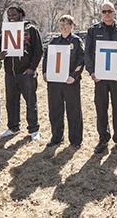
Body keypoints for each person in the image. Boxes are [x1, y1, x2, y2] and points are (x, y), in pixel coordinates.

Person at [85, 2, 117, 154]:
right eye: (104, 11)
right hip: (99, 78)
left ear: (114, 12)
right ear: (101, 13)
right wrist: (92, 72)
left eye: (109, 11)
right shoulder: (93, 31)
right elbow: (87, 53)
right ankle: (103, 138)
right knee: (101, 108)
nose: (107, 14)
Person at [0, 7, 43, 141]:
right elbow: (1, 51)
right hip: (10, 73)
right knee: (11, 102)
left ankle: (34, 129)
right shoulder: (6, 30)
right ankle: (13, 127)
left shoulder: (31, 29)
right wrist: (0, 56)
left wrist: (32, 68)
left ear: (21, 14)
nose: (11, 17)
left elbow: (39, 50)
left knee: (30, 102)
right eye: (9, 15)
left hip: (26, 73)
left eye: (14, 14)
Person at [42, 15, 85, 148]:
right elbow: (46, 58)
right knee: (55, 110)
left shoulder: (77, 41)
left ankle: (75, 140)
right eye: (61, 24)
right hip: (54, 82)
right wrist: (45, 72)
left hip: (70, 82)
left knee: (73, 111)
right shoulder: (54, 41)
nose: (63, 27)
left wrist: (74, 76)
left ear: (71, 26)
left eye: (66, 24)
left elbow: (81, 60)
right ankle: (56, 137)